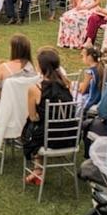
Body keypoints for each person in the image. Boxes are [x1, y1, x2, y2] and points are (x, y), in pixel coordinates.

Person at [22, 48, 73, 185]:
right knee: (41, 126)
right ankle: (38, 170)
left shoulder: (35, 89)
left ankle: (37, 169)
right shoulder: (66, 85)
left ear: (40, 67)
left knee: (32, 126)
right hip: (68, 137)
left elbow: (33, 117)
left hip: (48, 139)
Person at [76, 46, 103, 113]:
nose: (82, 59)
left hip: (91, 100)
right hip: (99, 97)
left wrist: (78, 88)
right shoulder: (102, 68)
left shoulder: (89, 72)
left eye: (83, 56)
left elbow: (82, 91)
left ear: (89, 57)